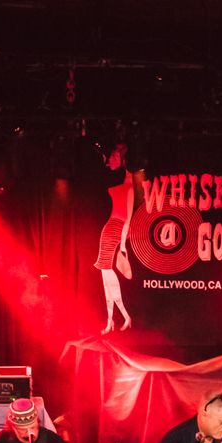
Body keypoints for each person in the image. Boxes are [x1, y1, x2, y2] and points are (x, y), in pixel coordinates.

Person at [96, 142, 135, 333]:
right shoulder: (119, 181)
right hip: (109, 228)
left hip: (117, 229)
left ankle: (122, 317)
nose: (110, 160)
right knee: (105, 276)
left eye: (114, 156)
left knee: (107, 275)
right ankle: (111, 320)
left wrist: (123, 244)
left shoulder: (130, 187)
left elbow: (128, 218)